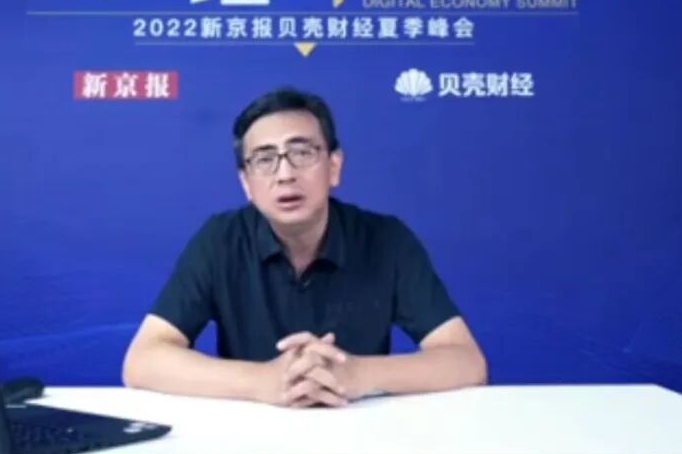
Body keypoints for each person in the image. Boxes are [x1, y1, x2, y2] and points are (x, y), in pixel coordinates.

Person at [123, 87, 488, 407]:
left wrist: (358, 374)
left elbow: (466, 361)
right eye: (265, 160)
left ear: (334, 166)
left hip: (363, 432)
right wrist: (261, 381)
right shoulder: (221, 240)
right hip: (250, 436)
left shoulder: (386, 239)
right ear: (246, 183)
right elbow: (143, 360)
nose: (285, 174)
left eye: (302, 153)